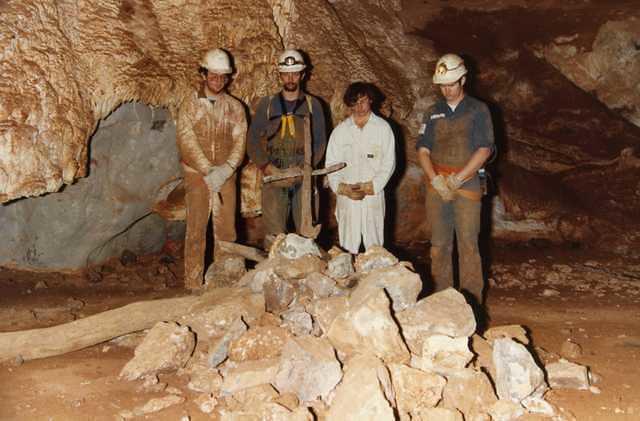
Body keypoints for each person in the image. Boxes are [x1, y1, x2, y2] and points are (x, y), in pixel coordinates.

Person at [416, 53, 494, 304]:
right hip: (437, 186)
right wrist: (436, 179)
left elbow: (484, 149)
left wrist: (458, 179)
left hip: (466, 185)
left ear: (463, 79)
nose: (446, 90)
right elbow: (423, 149)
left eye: (451, 84)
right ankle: (442, 302)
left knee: (468, 245)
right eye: (442, 85)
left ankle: (472, 306)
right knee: (439, 246)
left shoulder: (478, 109)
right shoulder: (432, 112)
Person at [176, 48, 247, 289]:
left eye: (222, 76)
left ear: (228, 78)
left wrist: (226, 169)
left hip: (226, 175)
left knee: (227, 230)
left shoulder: (235, 108)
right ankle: (193, 284)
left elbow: (240, 140)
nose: (217, 81)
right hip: (197, 175)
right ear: (204, 74)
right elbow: (186, 140)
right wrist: (208, 170)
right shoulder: (190, 105)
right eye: (213, 75)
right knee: (196, 229)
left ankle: (224, 284)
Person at [247, 49, 326, 249]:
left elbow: (320, 142)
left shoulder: (313, 105)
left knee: (306, 235)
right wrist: (267, 167)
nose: (290, 78)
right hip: (275, 175)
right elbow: (253, 140)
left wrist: (306, 168)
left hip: (303, 176)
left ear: (303, 75)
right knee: (274, 238)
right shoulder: (267, 104)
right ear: (280, 75)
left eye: (295, 73)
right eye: (286, 73)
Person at [326, 82, 396, 254]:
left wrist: (371, 186)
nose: (359, 107)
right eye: (355, 103)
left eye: (363, 101)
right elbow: (331, 164)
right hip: (348, 198)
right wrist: (341, 188)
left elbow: (388, 163)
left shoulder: (383, 129)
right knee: (348, 246)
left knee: (375, 246)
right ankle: (349, 279)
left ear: (371, 100)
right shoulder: (340, 132)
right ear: (349, 104)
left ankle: (377, 277)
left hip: (373, 196)